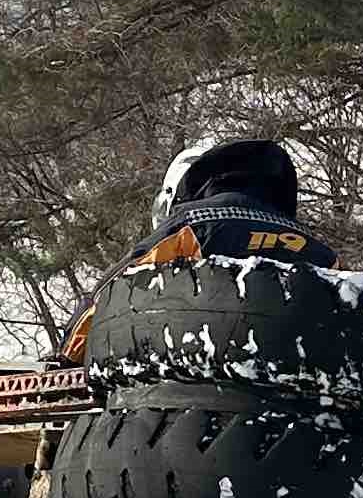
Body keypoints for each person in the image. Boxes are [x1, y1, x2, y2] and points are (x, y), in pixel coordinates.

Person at [58, 137, 332, 360]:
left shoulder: (193, 225)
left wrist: (70, 352)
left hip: (207, 371)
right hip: (303, 372)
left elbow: (117, 286)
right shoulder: (318, 249)